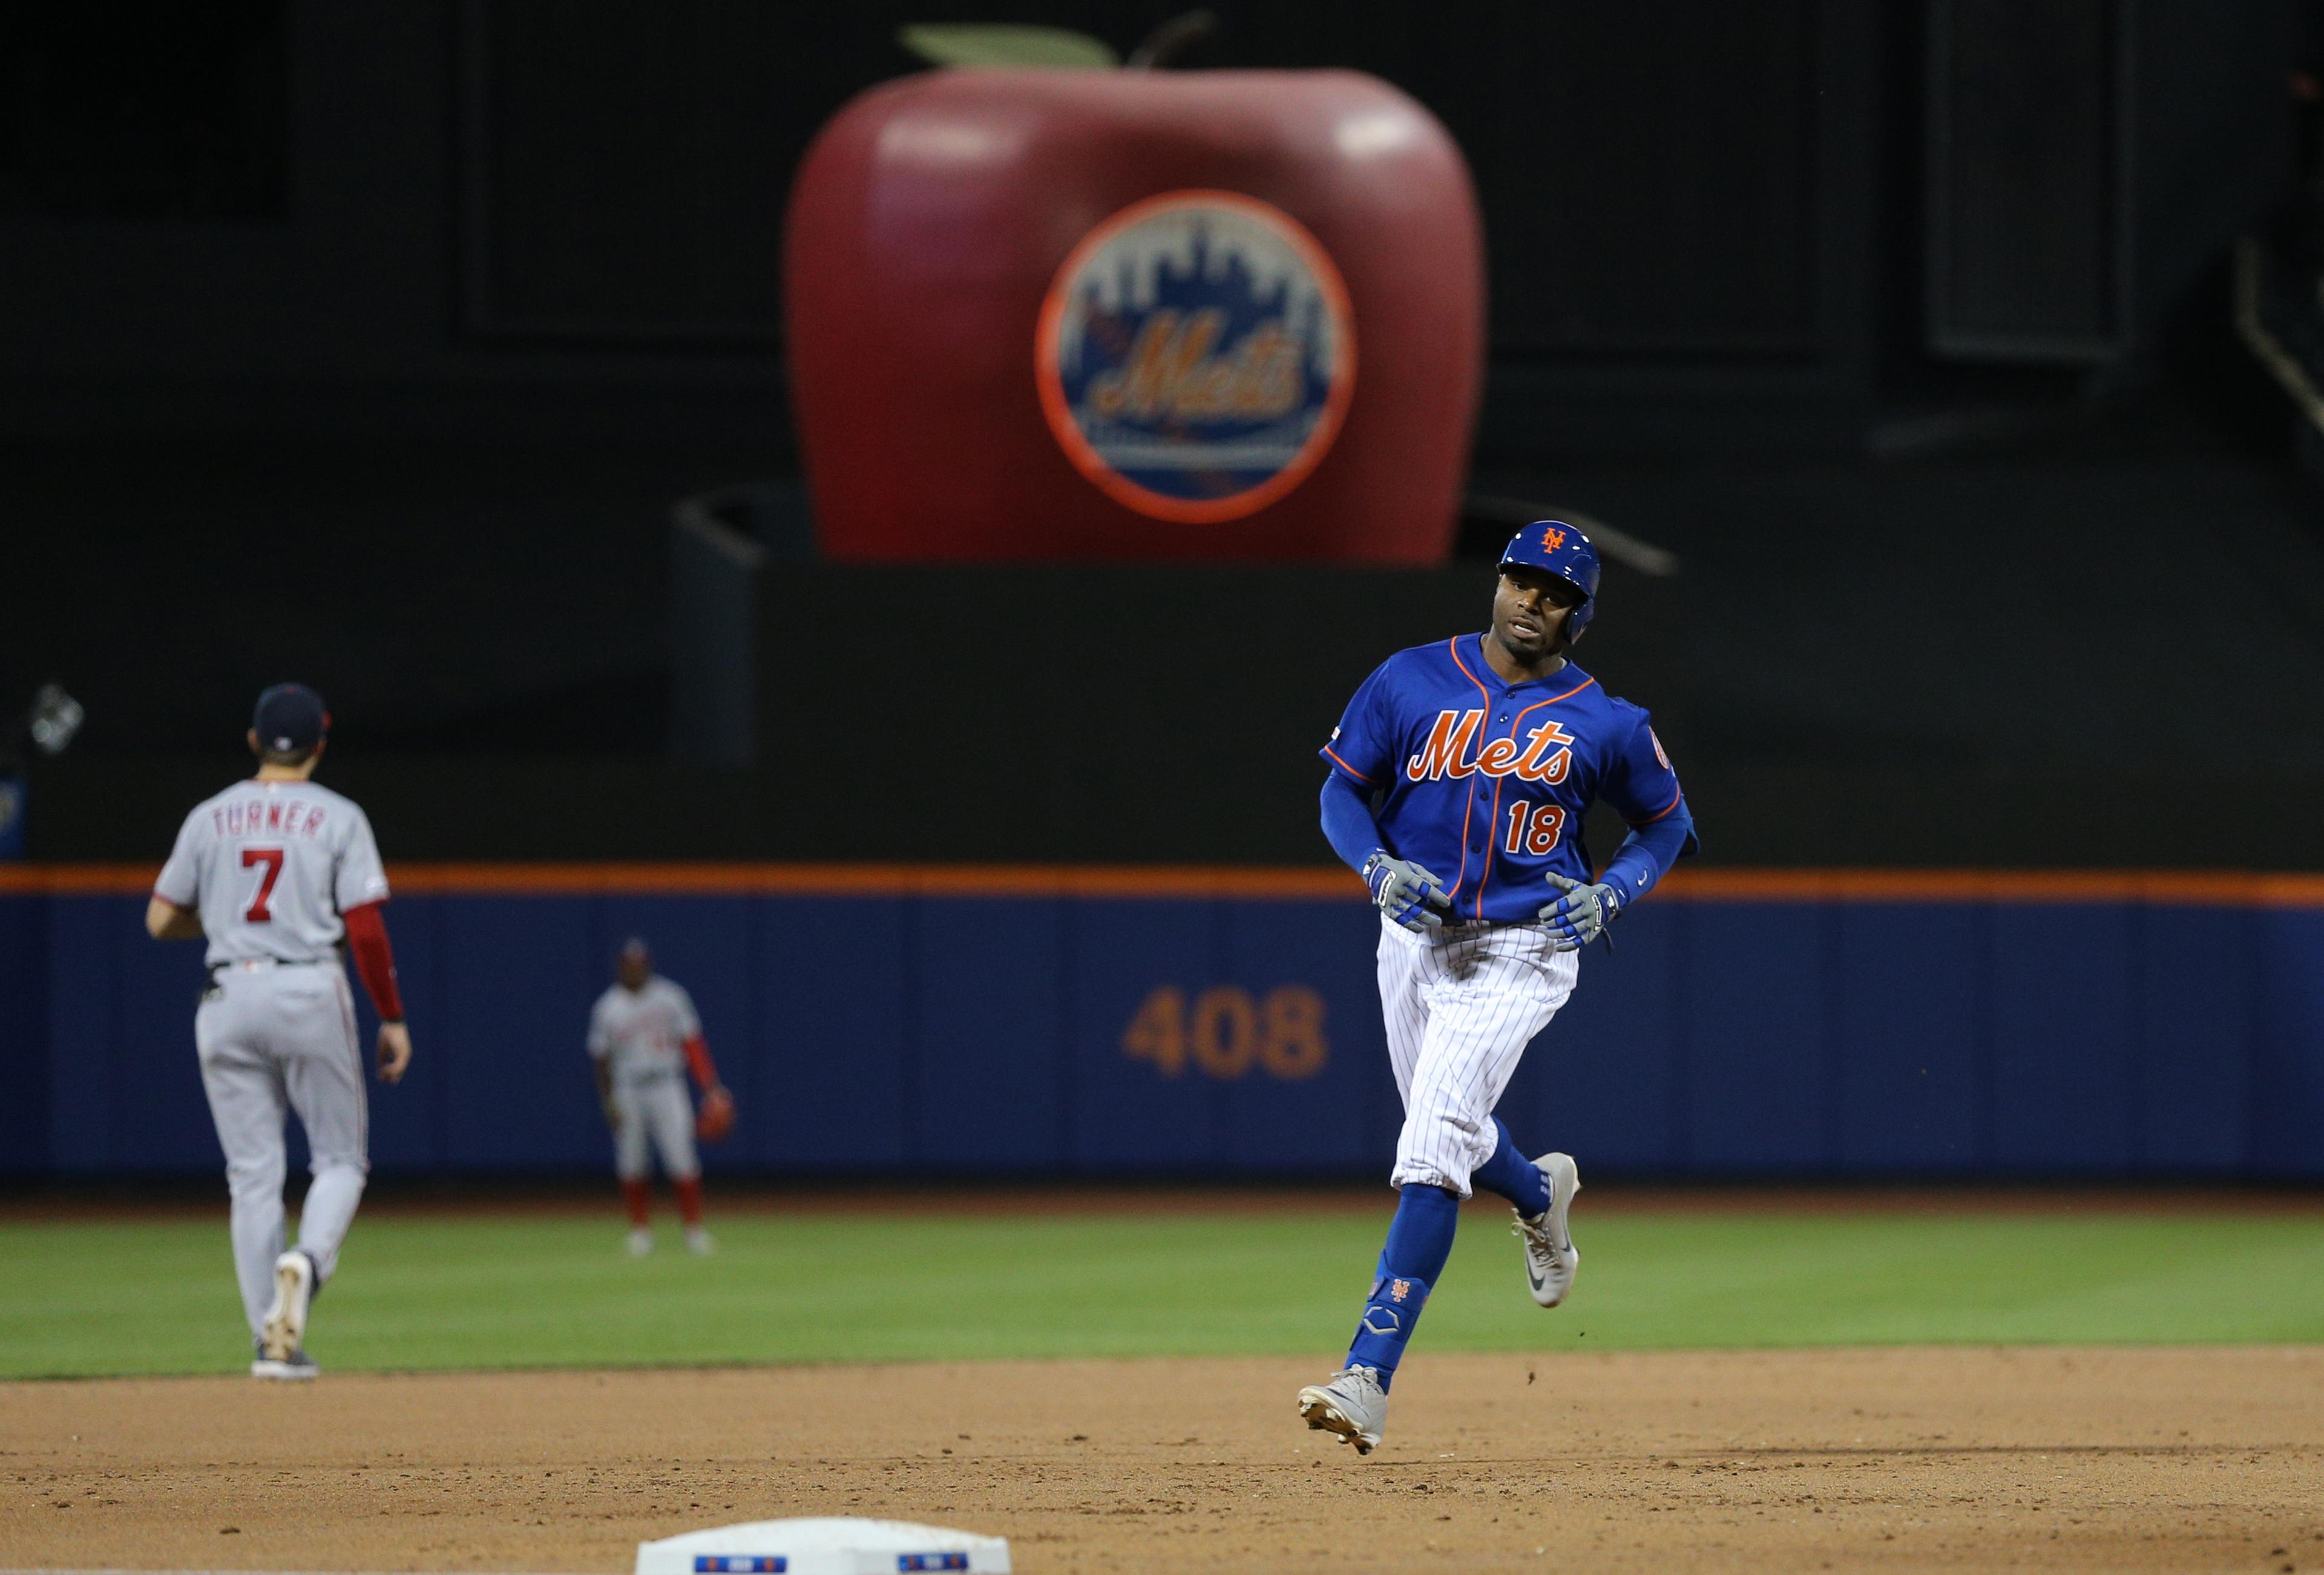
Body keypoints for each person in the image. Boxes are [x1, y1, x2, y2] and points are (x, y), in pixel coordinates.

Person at [1296, 523, 1698, 1454]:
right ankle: (1536, 1191)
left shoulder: (1610, 722)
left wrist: (1614, 890)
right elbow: (1340, 793)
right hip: (1414, 933)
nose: (1531, 599)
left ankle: (1367, 1375)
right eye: (1521, 578)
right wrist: (1373, 866)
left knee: (1431, 1141)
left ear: (1579, 613)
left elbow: (1666, 826)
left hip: (1525, 942)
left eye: (1555, 590)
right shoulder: (1407, 677)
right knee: (1457, 1131)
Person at [146, 683, 410, 1380]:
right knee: (340, 1160)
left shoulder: (209, 816)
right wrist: (392, 1014)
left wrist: (229, 919)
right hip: (306, 986)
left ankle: (270, 1340)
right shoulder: (338, 816)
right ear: (320, 743)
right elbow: (367, 929)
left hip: (227, 988)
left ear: (254, 740)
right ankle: (309, 1262)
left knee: (253, 1175)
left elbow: (160, 918)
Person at [588, 938, 730, 1255]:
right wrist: (607, 1100)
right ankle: (640, 1232)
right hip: (628, 1088)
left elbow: (692, 1044)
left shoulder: (671, 997)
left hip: (667, 1085)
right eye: (629, 965)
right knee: (632, 1161)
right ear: (621, 967)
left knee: (682, 1157)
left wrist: (710, 1086)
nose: (635, 970)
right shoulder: (608, 1007)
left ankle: (694, 1231)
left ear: (648, 965)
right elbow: (601, 1059)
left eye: (640, 964)